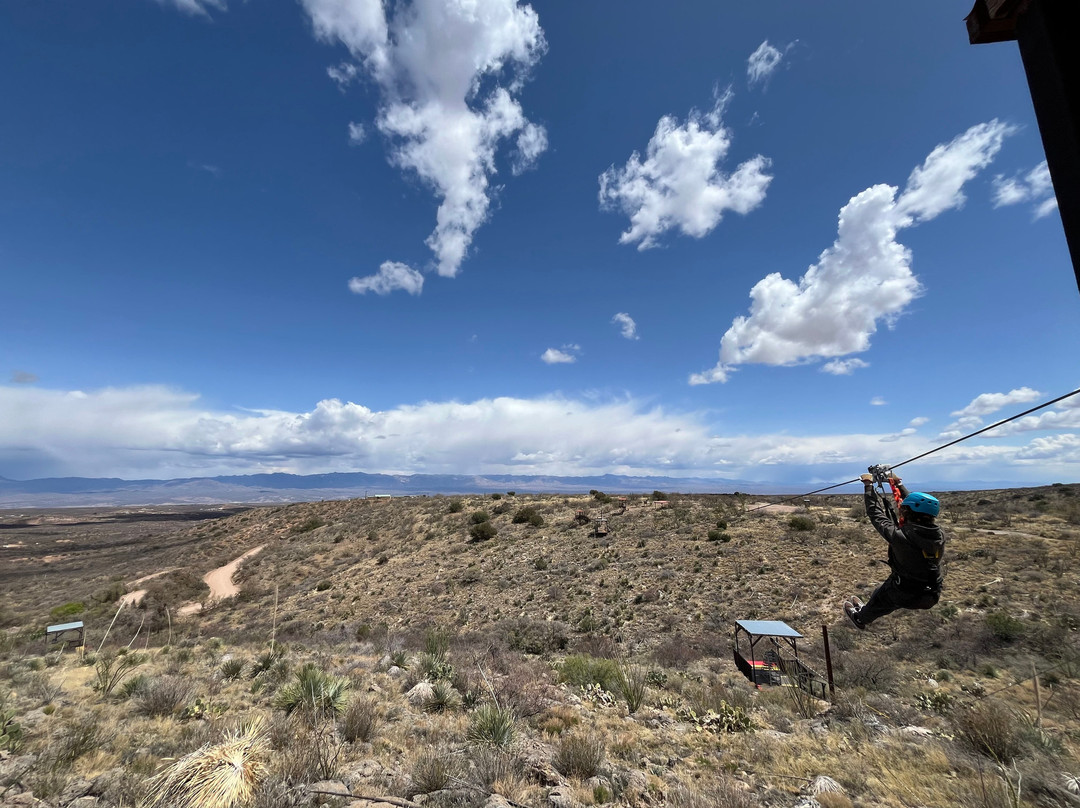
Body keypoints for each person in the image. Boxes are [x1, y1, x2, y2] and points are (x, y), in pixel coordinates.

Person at [843, 473, 945, 629]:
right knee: (884, 593)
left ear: (907, 512)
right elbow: (918, 505)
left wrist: (868, 486)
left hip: (905, 592)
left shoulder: (901, 537)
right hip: (930, 593)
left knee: (882, 597)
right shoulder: (939, 535)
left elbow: (876, 515)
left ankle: (860, 618)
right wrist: (898, 484)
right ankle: (866, 610)